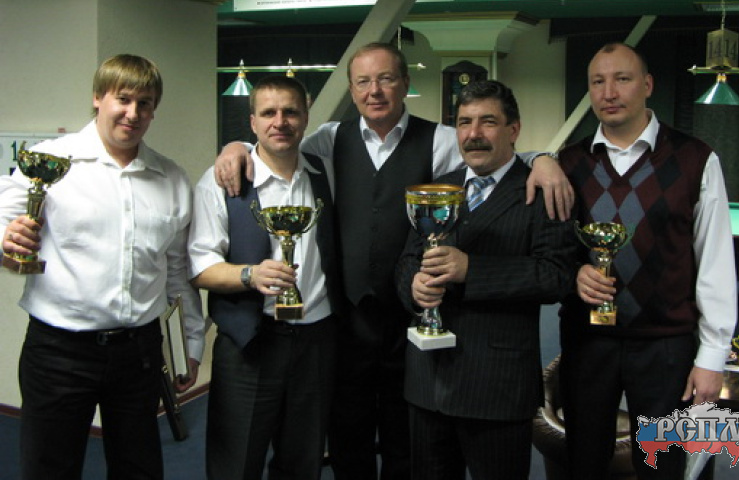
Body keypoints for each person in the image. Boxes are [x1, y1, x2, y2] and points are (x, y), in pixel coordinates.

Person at [214, 42, 573, 480]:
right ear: (351, 89)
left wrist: (544, 160)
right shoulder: (330, 139)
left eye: (386, 79)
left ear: (405, 83)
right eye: (363, 82)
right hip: (347, 324)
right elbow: (279, 143)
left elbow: (487, 153)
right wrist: (235, 145)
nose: (375, 91)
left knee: (408, 445)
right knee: (348, 441)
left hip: (411, 326)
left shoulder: (441, 139)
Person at [0, 54, 204, 480]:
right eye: (123, 99)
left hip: (139, 353)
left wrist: (191, 343)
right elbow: (3, 221)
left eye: (145, 103)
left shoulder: (171, 178)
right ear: (98, 97)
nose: (133, 113)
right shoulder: (49, 161)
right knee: (50, 470)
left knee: (138, 469)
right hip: (59, 351)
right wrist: (6, 237)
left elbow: (176, 272)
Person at [557, 42, 737, 479]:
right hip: (587, 342)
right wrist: (574, 273)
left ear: (648, 85)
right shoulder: (569, 162)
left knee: (663, 467)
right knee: (583, 465)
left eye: (622, 79)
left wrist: (713, 356)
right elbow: (552, 251)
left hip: (666, 345)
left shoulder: (695, 159)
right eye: (598, 82)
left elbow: (714, 261)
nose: (609, 92)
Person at [395, 78, 577, 480]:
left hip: (497, 387)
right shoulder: (438, 189)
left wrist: (471, 270)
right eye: (464, 122)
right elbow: (407, 260)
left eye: (488, 122)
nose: (473, 134)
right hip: (427, 382)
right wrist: (414, 287)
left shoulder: (541, 190)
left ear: (514, 129)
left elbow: (556, 276)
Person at [188, 75, 343, 480]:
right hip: (250, 343)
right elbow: (200, 267)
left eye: (291, 112)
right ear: (252, 122)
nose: (280, 122)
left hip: (316, 341)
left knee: (303, 462)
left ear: (306, 117)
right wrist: (249, 274)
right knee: (235, 463)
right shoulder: (221, 181)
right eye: (269, 112)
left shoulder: (326, 173)